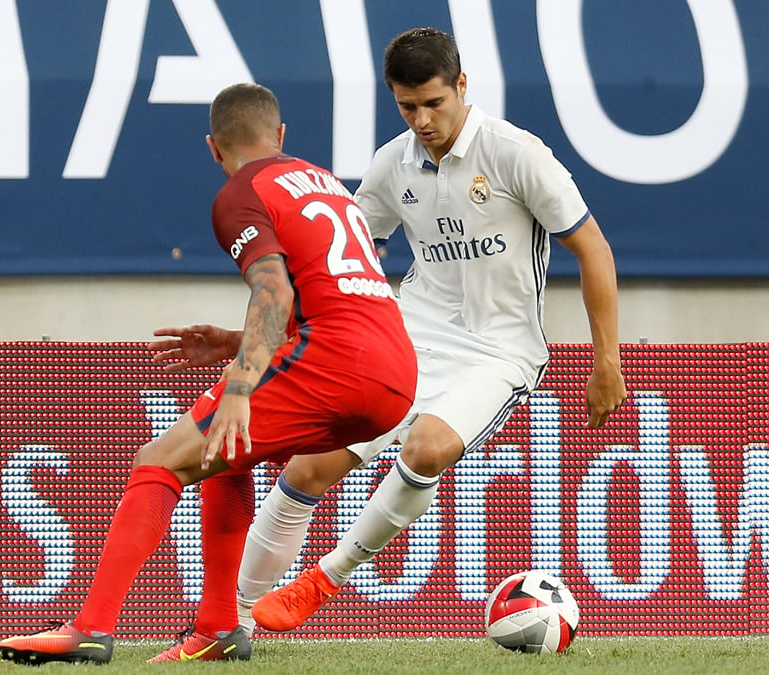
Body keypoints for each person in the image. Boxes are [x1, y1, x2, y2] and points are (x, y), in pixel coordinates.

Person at [0, 82, 416, 665]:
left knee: (159, 459)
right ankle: (219, 626)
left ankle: (90, 627)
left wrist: (240, 387)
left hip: (336, 361)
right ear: (282, 135)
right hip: (396, 371)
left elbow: (275, 288)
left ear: (214, 148)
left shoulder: (242, 192)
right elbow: (330, 299)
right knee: (227, 454)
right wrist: (235, 343)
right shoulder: (328, 184)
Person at [235, 27, 628, 635]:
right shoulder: (392, 164)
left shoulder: (516, 153)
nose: (421, 119)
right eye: (406, 106)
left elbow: (593, 248)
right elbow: (348, 257)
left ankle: (324, 579)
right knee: (308, 468)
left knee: (428, 448)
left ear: (462, 86)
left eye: (433, 103)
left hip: (499, 351)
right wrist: (298, 331)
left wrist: (607, 360)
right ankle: (230, 622)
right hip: (408, 337)